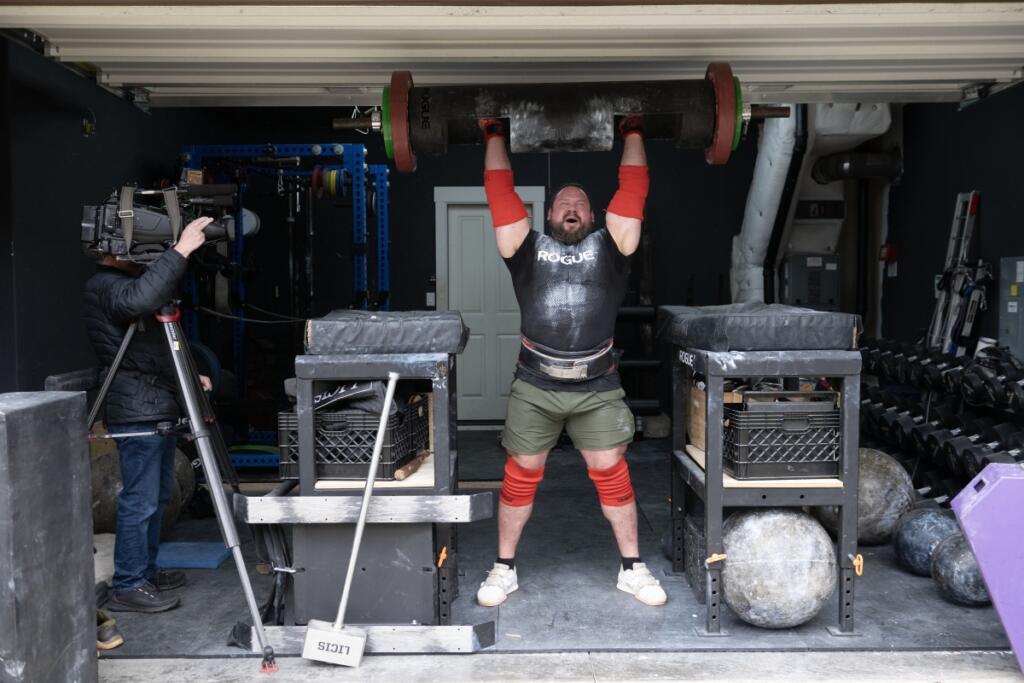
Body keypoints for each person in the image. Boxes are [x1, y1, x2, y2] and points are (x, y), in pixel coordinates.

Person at [475, 116, 667, 607]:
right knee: (521, 473)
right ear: (549, 214)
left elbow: (633, 192)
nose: (572, 208)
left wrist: (633, 131)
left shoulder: (613, 247)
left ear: (593, 214)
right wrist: (494, 135)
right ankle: (503, 569)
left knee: (612, 472)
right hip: (534, 384)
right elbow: (500, 194)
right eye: (564, 203)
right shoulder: (525, 248)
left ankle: (632, 568)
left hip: (597, 386)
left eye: (580, 203)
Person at [84, 216, 213, 613]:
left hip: (152, 404)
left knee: (156, 498)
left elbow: (151, 351)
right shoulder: (105, 285)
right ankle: (128, 584)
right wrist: (181, 250)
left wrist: (189, 375)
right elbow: (139, 300)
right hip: (137, 409)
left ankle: (145, 571)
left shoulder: (122, 283)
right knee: (140, 501)